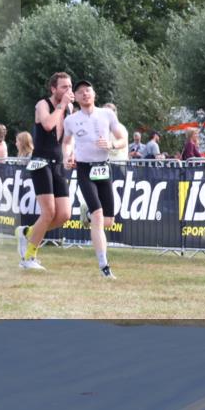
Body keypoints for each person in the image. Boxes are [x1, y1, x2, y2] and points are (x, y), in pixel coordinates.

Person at [64, 81, 126, 279]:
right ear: (76, 97)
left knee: (107, 221)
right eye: (80, 92)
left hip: (103, 167)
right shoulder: (71, 120)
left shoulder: (107, 114)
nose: (85, 94)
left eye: (88, 90)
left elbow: (122, 137)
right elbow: (66, 142)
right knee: (99, 216)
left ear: (94, 94)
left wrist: (112, 144)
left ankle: (87, 213)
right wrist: (68, 156)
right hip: (84, 168)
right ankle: (104, 266)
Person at [15, 72, 73, 271]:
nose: (68, 91)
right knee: (48, 212)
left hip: (57, 162)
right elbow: (48, 125)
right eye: (64, 87)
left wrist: (69, 154)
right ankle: (29, 256)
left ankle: (27, 232)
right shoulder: (43, 104)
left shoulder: (69, 109)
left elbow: (67, 138)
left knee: (64, 214)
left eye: (70, 87)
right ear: (53, 89)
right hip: (40, 161)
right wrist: (61, 105)